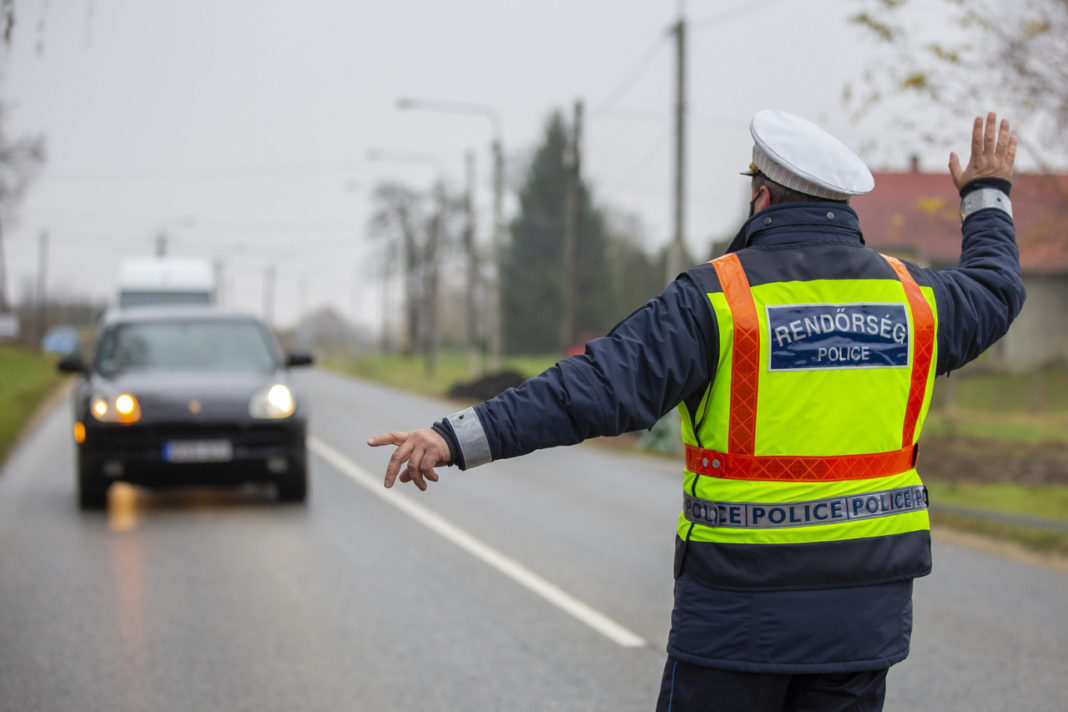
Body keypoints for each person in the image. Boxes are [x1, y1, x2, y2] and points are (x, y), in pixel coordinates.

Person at [368, 110, 1024, 711]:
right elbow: (996, 288)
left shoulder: (718, 299)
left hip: (739, 619)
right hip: (862, 621)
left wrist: (456, 437)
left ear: (761, 194)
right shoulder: (914, 301)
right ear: (840, 204)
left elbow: (591, 388)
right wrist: (987, 196)